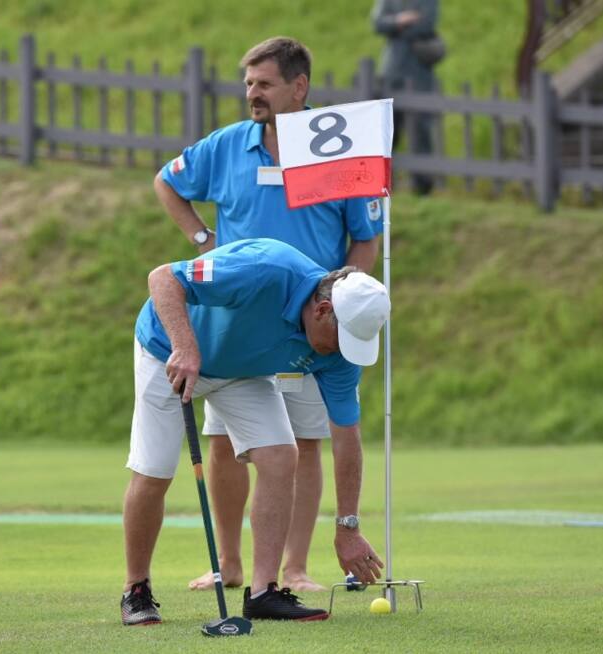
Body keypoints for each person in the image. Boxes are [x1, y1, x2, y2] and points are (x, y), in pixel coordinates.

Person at [154, 36, 383, 593]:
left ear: (299, 87)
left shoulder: (336, 152)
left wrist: (342, 299)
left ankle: (295, 568)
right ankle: (230, 565)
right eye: (248, 83)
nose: (251, 94)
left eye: (264, 83)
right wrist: (202, 238)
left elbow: (364, 240)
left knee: (304, 443)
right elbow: (167, 182)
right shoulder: (229, 145)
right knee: (227, 442)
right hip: (237, 319)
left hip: (313, 321)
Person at [121, 238, 387, 626]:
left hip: (241, 372)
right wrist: (185, 346)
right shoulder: (266, 269)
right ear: (322, 309)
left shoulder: (341, 355)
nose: (342, 352)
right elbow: (163, 278)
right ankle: (136, 589)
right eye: (341, 340)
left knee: (281, 455)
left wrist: (348, 526)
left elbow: (347, 436)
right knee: (155, 471)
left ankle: (264, 592)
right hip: (168, 350)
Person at [372, 0, 441, 195]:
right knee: (387, 130)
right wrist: (402, 20)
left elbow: (427, 24)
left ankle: (423, 186)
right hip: (392, 72)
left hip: (419, 72)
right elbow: (378, 24)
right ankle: (382, 183)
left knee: (421, 129)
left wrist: (394, 26)